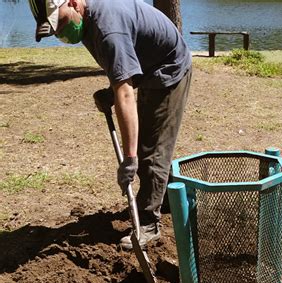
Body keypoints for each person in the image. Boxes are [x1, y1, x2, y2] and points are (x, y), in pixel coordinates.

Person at [28, 0, 192, 250]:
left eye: (60, 23)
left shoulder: (107, 28)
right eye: (54, 29)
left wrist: (129, 158)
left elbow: (125, 94)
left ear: (73, 3)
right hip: (148, 67)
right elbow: (122, 66)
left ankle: (148, 223)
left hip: (169, 69)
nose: (60, 33)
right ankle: (171, 198)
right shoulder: (85, 22)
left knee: (151, 151)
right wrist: (111, 91)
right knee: (151, 143)